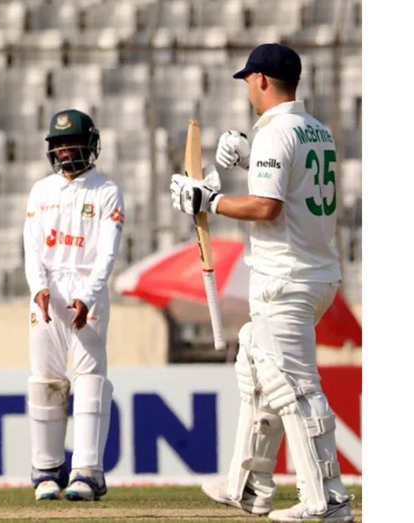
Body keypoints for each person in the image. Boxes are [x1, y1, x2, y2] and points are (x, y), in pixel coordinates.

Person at [169, 43, 353, 522]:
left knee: (293, 386)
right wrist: (249, 160)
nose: (249, 88)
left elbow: (267, 208)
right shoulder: (316, 130)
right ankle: (249, 486)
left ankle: (326, 501)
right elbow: (292, 190)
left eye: (249, 79)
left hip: (284, 277)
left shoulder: (275, 131)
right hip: (312, 272)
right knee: (256, 372)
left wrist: (207, 199)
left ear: (263, 81)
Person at [23, 109, 125, 502]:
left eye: (74, 142)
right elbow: (32, 248)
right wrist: (38, 288)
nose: (67, 150)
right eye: (60, 144)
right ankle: (46, 471)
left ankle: (87, 472)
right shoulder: (41, 191)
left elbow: (107, 253)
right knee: (45, 380)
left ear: (91, 144)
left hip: (87, 290)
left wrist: (88, 295)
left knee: (89, 381)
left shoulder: (105, 191)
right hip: (48, 292)